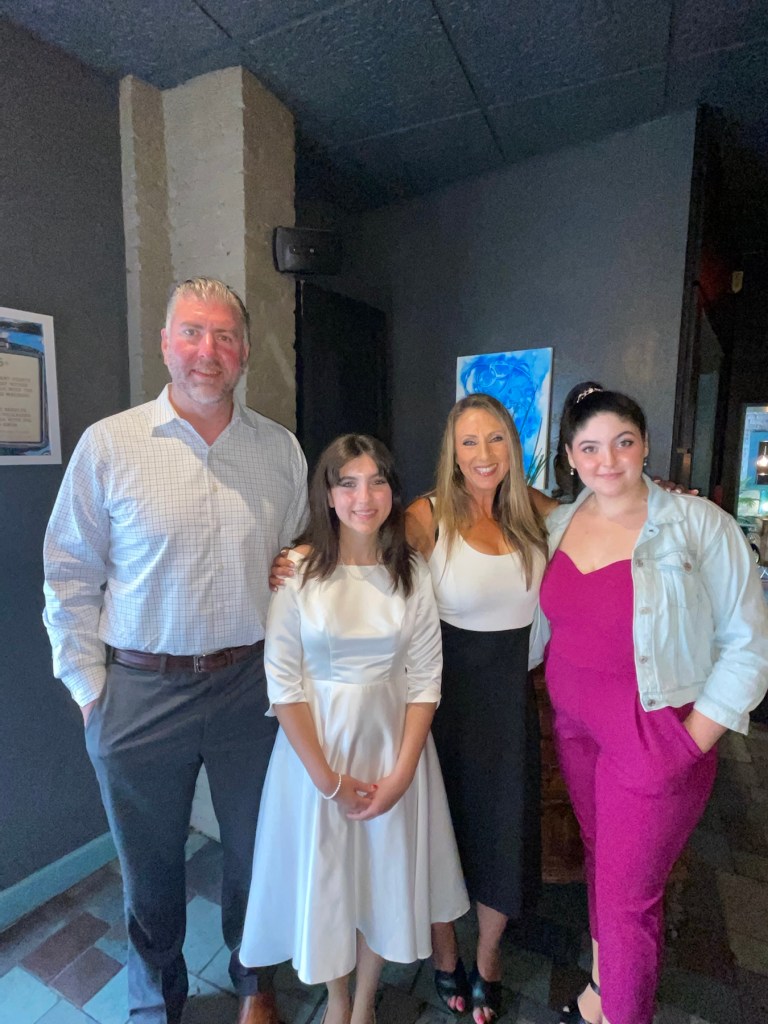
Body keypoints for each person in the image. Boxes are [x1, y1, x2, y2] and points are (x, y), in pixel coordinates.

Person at [43, 278, 307, 1024]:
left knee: (256, 848)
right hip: (139, 690)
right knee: (149, 867)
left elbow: (292, 551)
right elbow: (68, 573)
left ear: (245, 351)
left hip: (249, 686)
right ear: (165, 344)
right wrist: (89, 693)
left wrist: (293, 564)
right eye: (191, 332)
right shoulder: (111, 445)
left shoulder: (279, 450)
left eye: (224, 335)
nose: (207, 350)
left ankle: (255, 980)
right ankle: (157, 999)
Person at [537, 385, 768, 1024]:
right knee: (600, 862)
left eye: (623, 442)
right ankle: (601, 993)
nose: (607, 460)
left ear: (644, 446)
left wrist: (690, 741)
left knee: (627, 902)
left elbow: (750, 645)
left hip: (654, 736)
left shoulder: (698, 524)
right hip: (576, 730)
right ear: (569, 456)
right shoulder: (558, 523)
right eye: (589, 447)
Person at [238, 434, 468, 1024]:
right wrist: (328, 781)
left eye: (377, 482)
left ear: (393, 490)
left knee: (381, 879)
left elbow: (426, 679)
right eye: (348, 483)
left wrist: (403, 774)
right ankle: (336, 1000)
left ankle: (364, 1003)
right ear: (328, 495)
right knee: (330, 880)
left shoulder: (411, 572)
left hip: (393, 749)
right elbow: (283, 685)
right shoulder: (298, 573)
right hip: (317, 754)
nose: (364, 497)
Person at [405, 393, 549, 1024]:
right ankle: (445, 952)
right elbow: (365, 547)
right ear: (453, 452)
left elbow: (608, 510)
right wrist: (304, 558)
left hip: (511, 703)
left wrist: (664, 495)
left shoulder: (535, 510)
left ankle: (488, 957)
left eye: (495, 439)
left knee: (503, 836)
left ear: (512, 447)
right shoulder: (429, 514)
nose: (484, 453)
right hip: (443, 703)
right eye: (469, 441)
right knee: (438, 833)